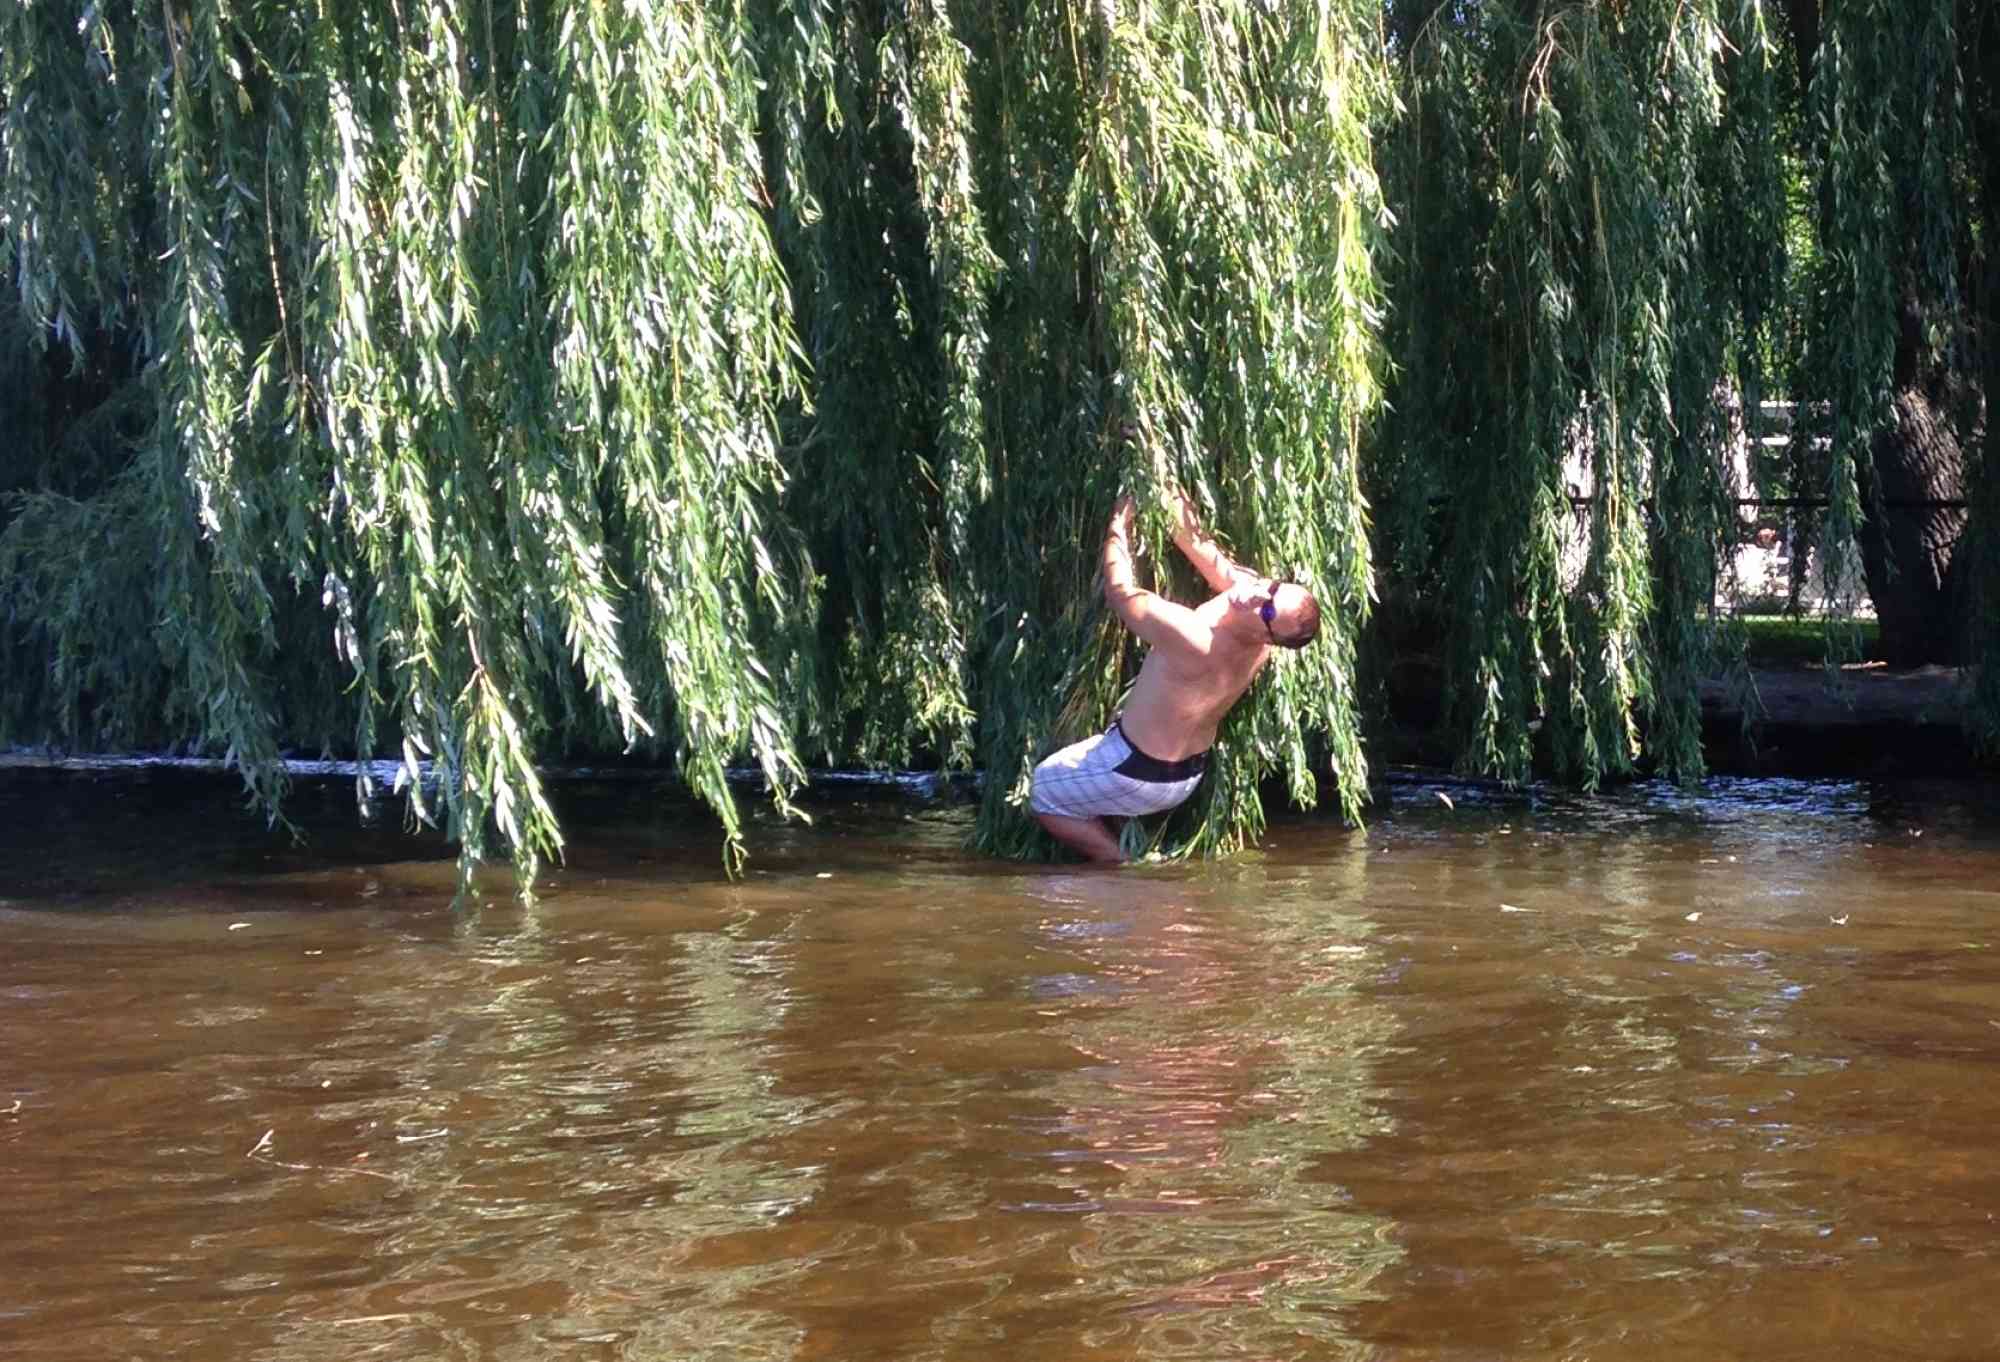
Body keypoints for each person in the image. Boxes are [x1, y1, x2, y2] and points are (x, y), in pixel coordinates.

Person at [1030, 490, 1321, 863]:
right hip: (1185, 773)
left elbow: (1120, 593)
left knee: (1042, 792)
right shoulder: (1254, 603)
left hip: (1136, 771)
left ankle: (1119, 867)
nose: (1258, 597)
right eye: (1273, 588)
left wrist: (1119, 524)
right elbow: (1201, 546)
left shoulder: (1195, 638)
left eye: (1266, 611)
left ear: (1268, 638)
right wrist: (1160, 483)